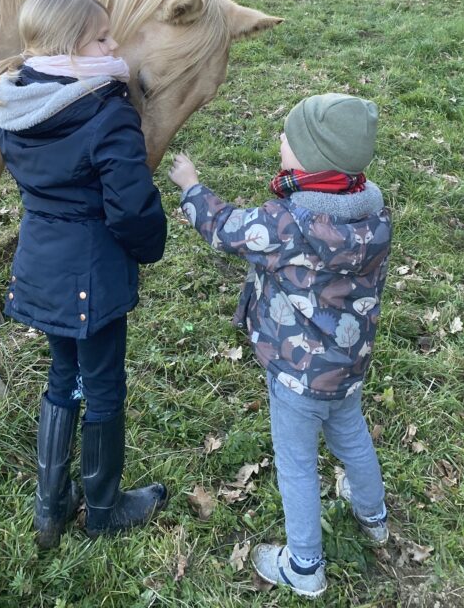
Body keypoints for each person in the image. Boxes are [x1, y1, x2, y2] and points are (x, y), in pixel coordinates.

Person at [0, 0, 168, 547]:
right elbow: (132, 205)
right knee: (104, 386)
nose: (114, 44)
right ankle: (103, 508)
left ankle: (51, 510)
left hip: (42, 273)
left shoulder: (13, 104)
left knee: (61, 378)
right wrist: (148, 247)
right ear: (69, 50)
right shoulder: (107, 111)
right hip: (94, 281)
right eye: (101, 37)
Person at [169, 94, 391, 598]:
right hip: (348, 367)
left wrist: (191, 187)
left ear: (314, 160)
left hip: (296, 375)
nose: (280, 143)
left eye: (288, 139)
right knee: (351, 433)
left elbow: (225, 229)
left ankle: (305, 566)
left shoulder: (287, 223)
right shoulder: (373, 215)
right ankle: (373, 516)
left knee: (296, 464)